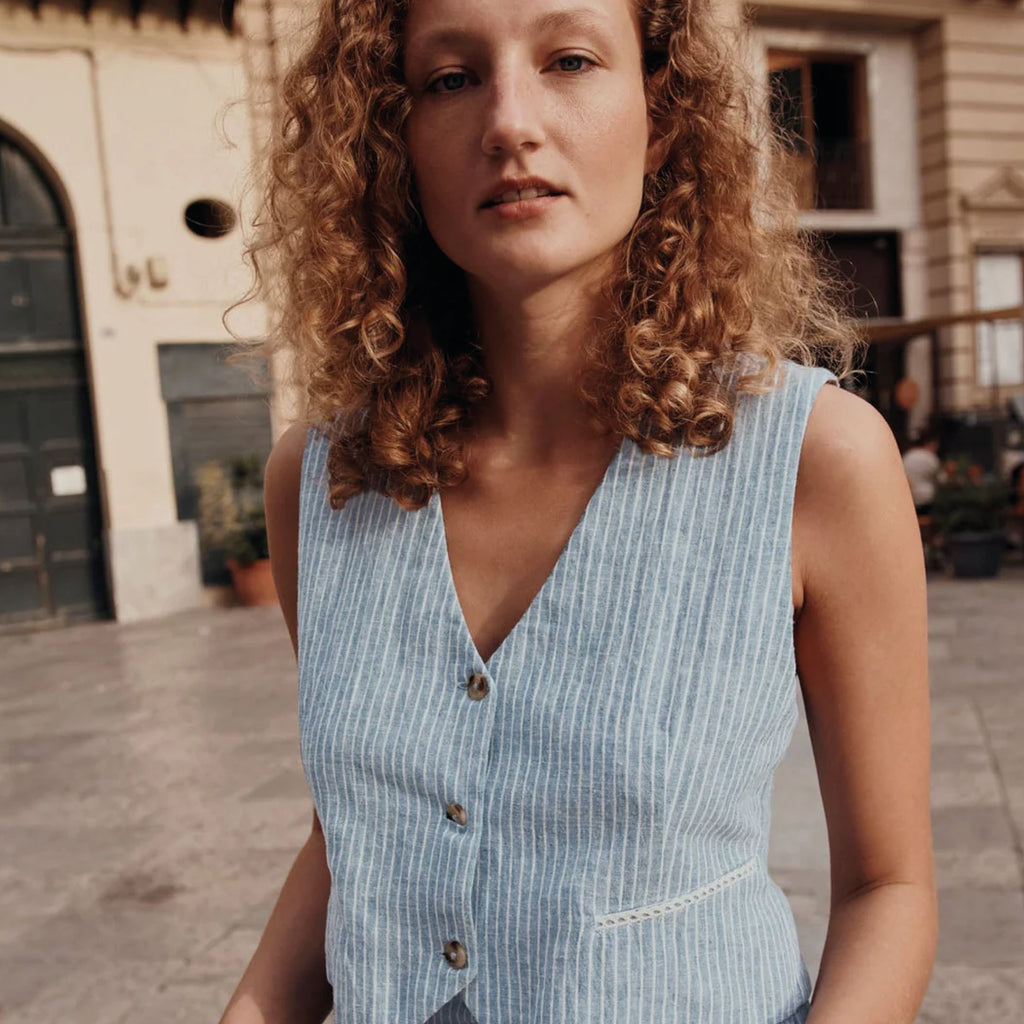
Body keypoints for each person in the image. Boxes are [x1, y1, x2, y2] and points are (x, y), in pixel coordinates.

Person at [219, 1, 937, 1022]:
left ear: (661, 112)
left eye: (567, 59)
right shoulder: (323, 482)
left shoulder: (815, 461)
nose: (509, 120)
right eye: (451, 78)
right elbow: (364, 830)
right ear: (394, 139)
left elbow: (888, 887)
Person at [902, 427, 942, 517]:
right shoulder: (930, 458)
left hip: (910, 500)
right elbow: (940, 479)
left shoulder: (908, 456)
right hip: (926, 502)